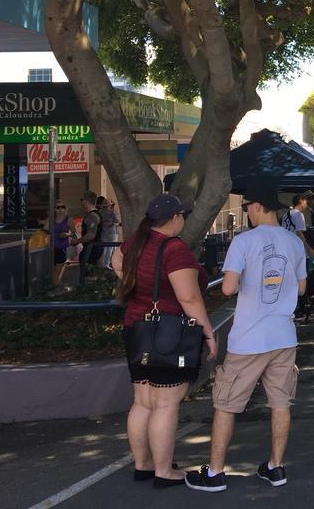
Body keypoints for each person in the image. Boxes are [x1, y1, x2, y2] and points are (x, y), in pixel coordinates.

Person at [185, 179, 307, 494]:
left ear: (255, 207)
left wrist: (245, 282)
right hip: (284, 335)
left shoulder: (244, 242)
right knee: (281, 402)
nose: (248, 212)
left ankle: (214, 473)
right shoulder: (294, 243)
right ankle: (275, 466)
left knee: (226, 404)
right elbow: (302, 287)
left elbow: (227, 288)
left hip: (249, 337)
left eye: (248, 207)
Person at [112, 193, 214, 488]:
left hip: (136, 327)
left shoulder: (136, 241)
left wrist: (138, 285)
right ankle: (163, 471)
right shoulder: (175, 250)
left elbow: (116, 262)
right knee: (166, 404)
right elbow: (189, 297)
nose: (184, 219)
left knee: (142, 402)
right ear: (174, 219)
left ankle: (143, 465)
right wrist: (207, 332)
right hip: (169, 331)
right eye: (182, 215)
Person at [281, 195, 314, 261]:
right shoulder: (298, 214)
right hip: (296, 251)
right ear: (301, 201)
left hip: (287, 249)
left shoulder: (286, 215)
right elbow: (300, 233)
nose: (306, 203)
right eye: (305, 201)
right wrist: (309, 248)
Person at [97, 196, 121, 270]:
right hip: (104, 232)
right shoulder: (100, 212)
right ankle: (103, 264)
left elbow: (117, 221)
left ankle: (107, 264)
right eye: (105, 202)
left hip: (111, 232)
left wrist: (113, 211)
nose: (106, 204)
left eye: (107, 202)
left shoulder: (113, 211)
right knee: (104, 248)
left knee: (110, 248)